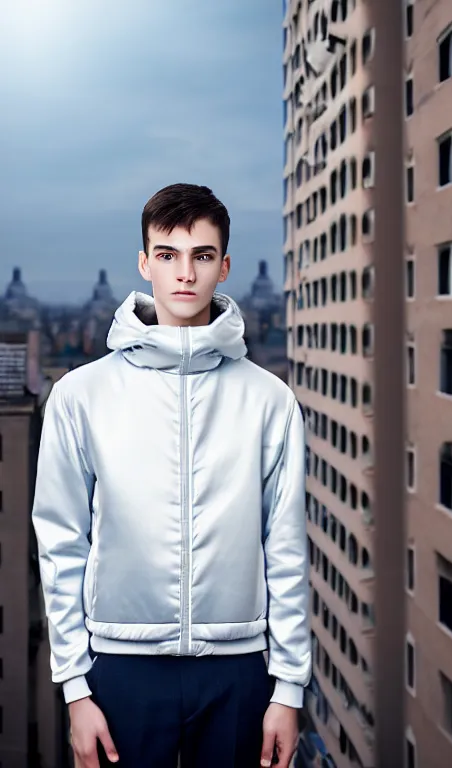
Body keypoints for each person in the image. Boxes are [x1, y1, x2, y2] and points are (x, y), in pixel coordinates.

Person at [32, 183, 311, 768]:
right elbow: (61, 544)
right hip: (120, 665)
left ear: (224, 266)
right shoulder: (81, 395)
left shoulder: (270, 401)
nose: (185, 273)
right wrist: (75, 689)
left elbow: (284, 547)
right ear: (145, 263)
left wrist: (288, 687)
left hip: (240, 666)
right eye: (168, 254)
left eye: (202, 256)